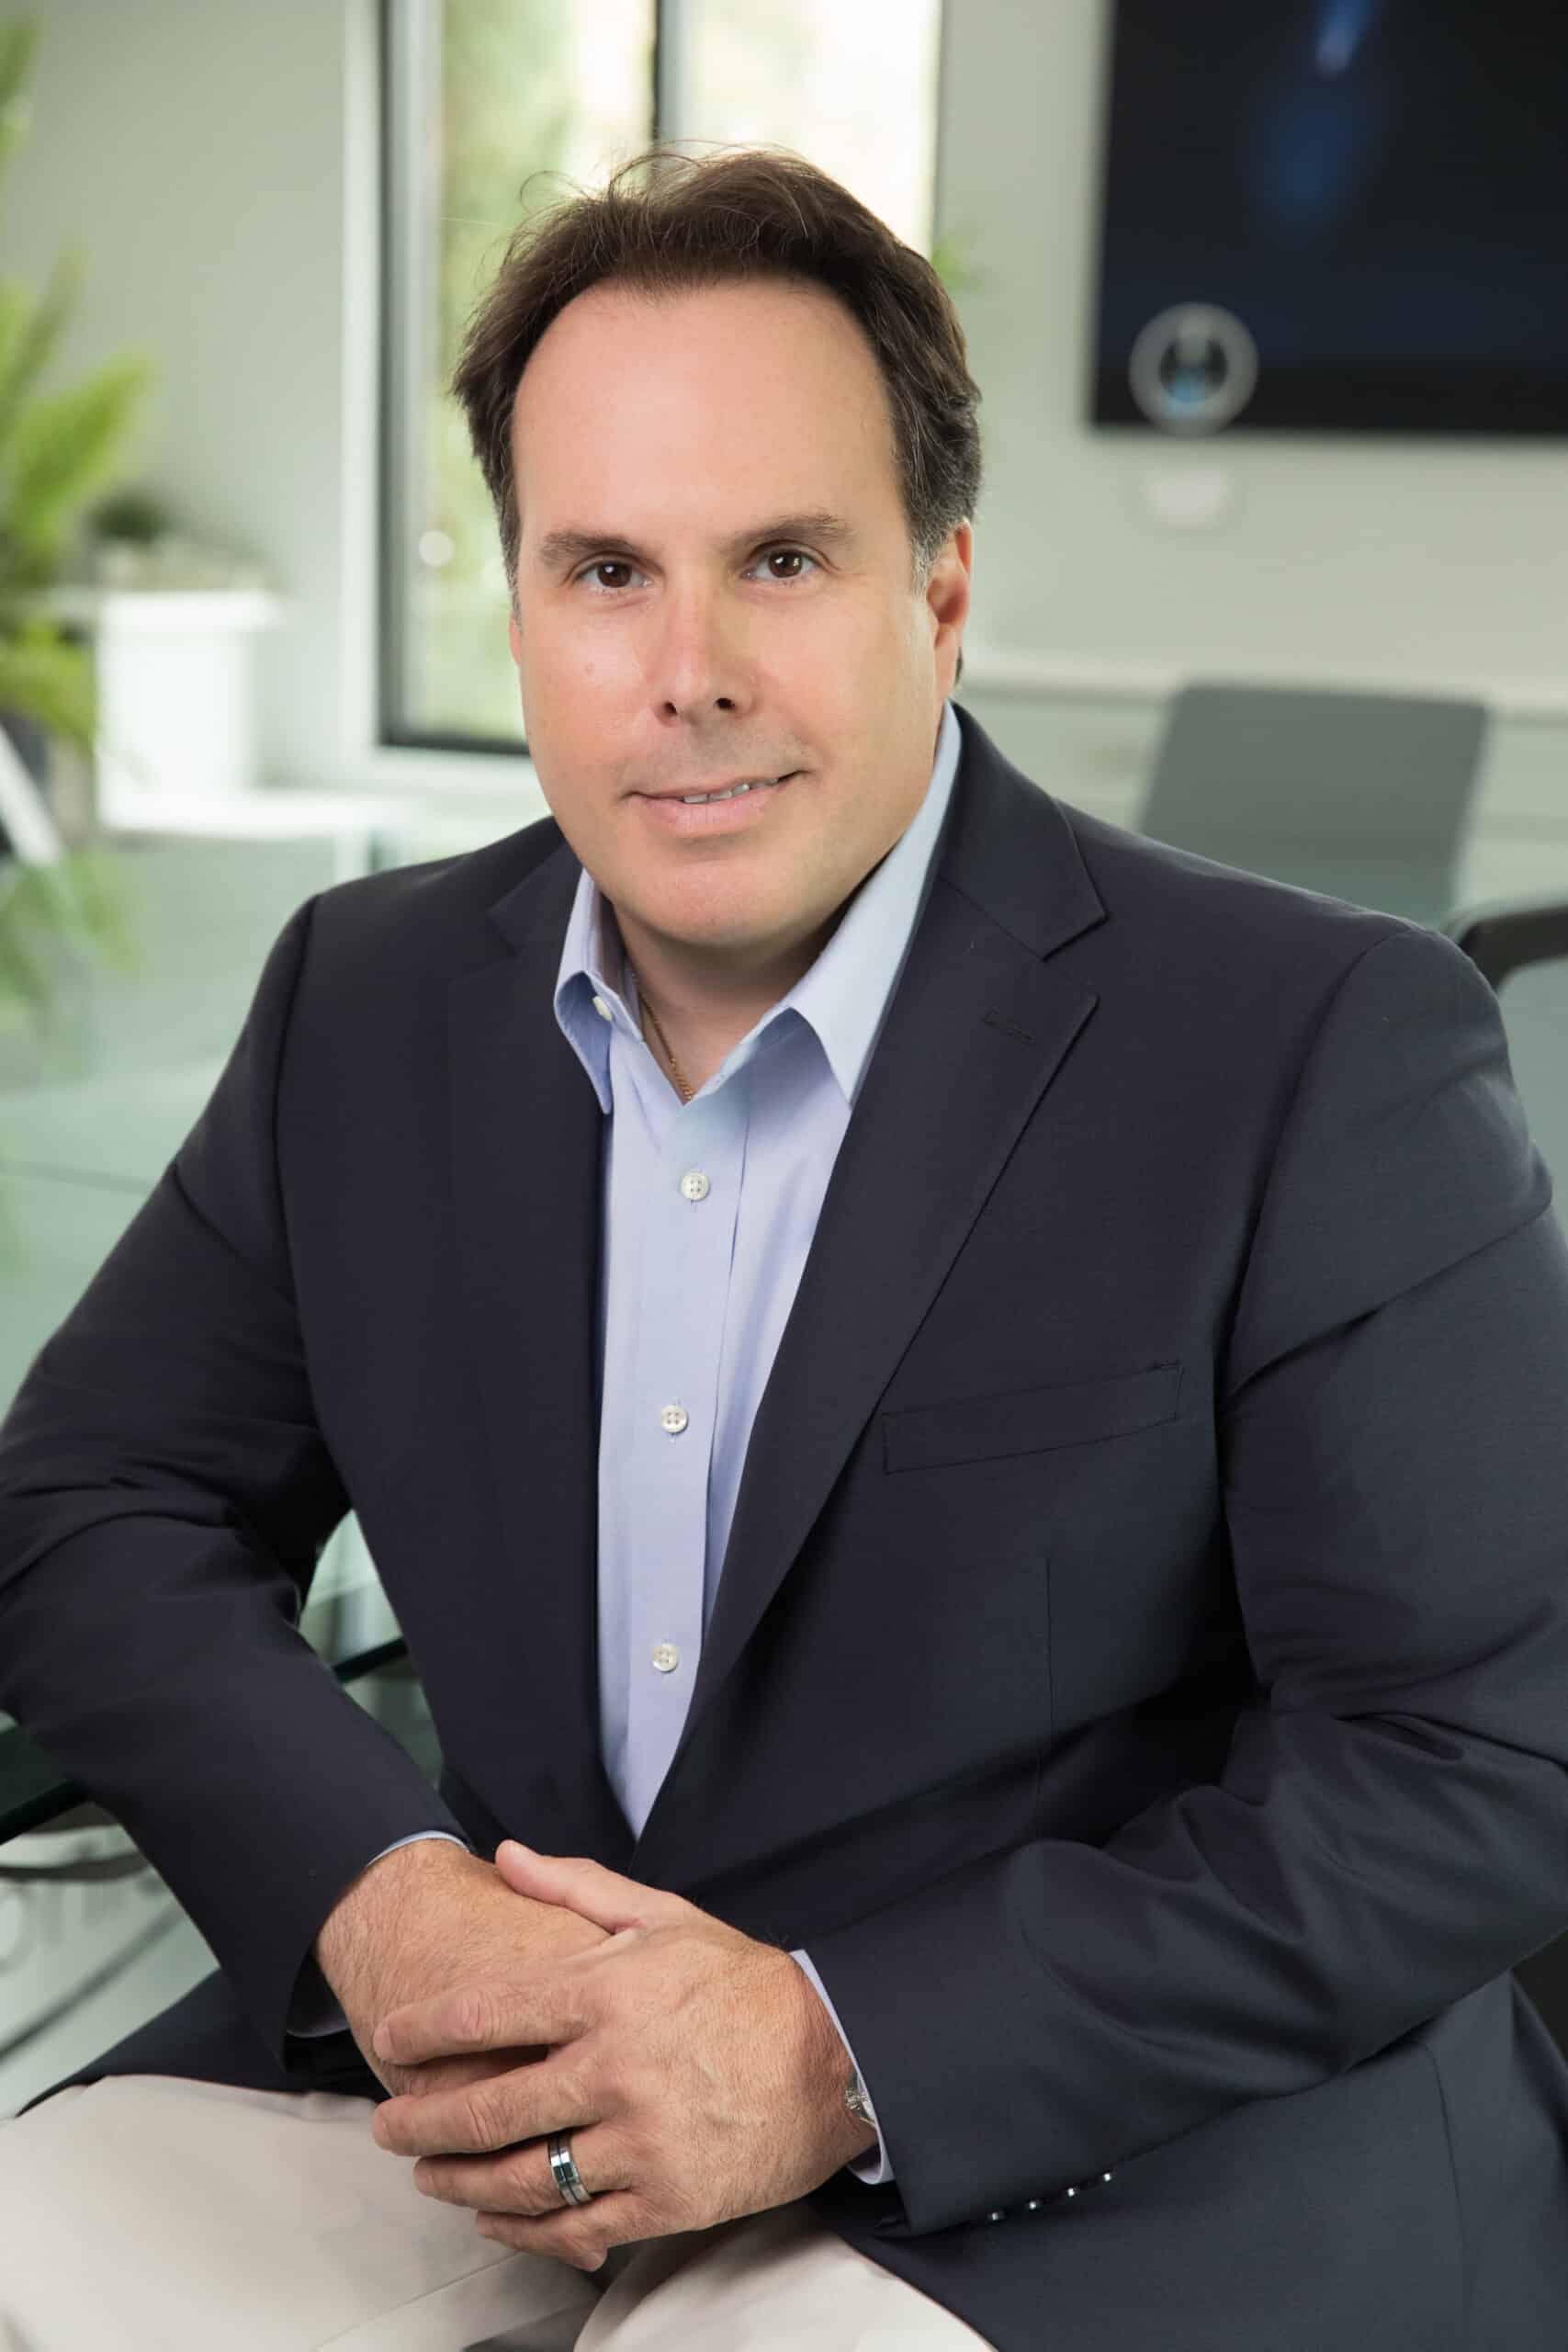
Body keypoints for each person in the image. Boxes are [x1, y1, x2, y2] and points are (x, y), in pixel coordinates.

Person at [1, 144, 1567, 2352]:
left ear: (936, 589)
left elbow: (1471, 1764)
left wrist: (830, 2051)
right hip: (502, 2104)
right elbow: (93, 1497)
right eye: (607, 570)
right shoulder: (361, 1000)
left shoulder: (1314, 1042)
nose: (689, 668)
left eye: (783, 558)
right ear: (523, 612)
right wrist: (387, 1904)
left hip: (1113, 2148)